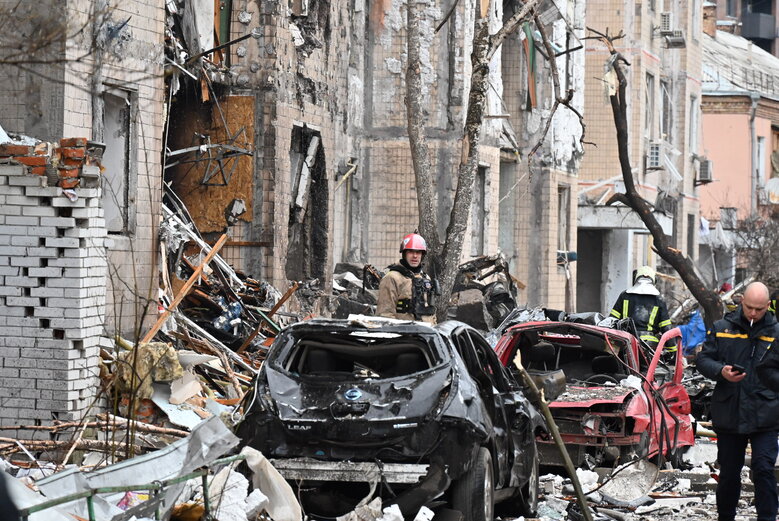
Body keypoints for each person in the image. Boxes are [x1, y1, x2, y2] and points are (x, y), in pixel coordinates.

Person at [696, 282, 779, 521]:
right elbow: (704, 360)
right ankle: (726, 516)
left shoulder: (775, 333)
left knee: (763, 469)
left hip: (766, 413)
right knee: (730, 474)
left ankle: (767, 518)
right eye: (750, 307)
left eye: (759, 309)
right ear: (742, 301)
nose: (753, 313)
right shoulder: (722, 328)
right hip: (730, 412)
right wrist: (721, 371)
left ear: (768, 306)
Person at [376, 232, 436, 323]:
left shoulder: (426, 278)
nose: (415, 256)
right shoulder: (392, 278)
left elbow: (431, 312)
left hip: (426, 333)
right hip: (405, 333)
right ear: (404, 254)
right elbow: (385, 315)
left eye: (418, 252)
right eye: (410, 251)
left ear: (422, 255)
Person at [609, 266, 672, 349]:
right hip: (650, 347)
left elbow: (611, 321)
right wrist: (672, 350)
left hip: (625, 342)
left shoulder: (625, 295)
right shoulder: (659, 299)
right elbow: (666, 328)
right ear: (654, 280)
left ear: (635, 278)